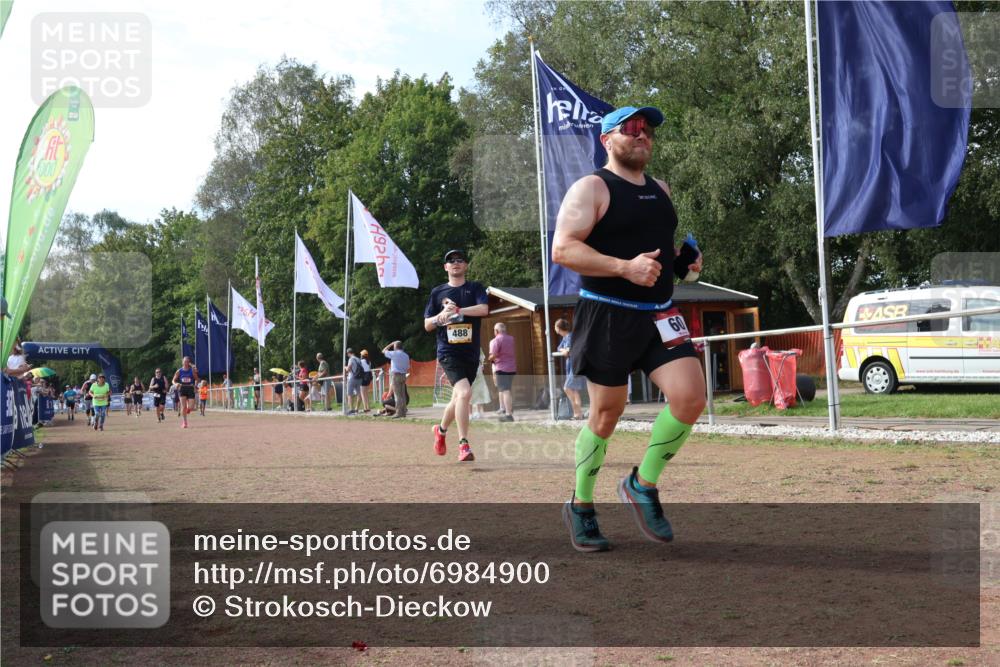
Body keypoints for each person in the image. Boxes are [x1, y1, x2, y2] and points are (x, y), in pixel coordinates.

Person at [551, 105, 706, 552]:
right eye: (633, 129)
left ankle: (642, 484)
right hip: (607, 314)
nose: (644, 136)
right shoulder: (592, 188)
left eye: (649, 130)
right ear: (607, 139)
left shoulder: (661, 188)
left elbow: (656, 254)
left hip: (658, 312)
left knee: (690, 397)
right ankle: (581, 506)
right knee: (605, 415)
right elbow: (563, 249)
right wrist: (622, 267)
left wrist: (684, 264)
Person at [423, 249, 489, 462]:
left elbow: (483, 310)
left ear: (466, 265)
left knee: (459, 397)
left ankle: (440, 431)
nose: (455, 263)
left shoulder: (475, 288)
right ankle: (463, 445)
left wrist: (459, 310)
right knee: (465, 393)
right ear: (446, 267)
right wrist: (441, 317)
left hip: (470, 353)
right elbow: (427, 325)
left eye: (460, 260)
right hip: (448, 352)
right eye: (451, 261)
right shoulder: (438, 293)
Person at [553, 319, 586, 420]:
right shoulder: (565, 337)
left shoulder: (570, 337)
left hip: (574, 367)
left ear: (558, 328)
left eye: (555, 327)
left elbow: (568, 351)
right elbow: (560, 348)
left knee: (567, 388)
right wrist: (563, 349)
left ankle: (578, 412)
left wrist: (565, 350)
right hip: (570, 367)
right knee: (574, 390)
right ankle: (578, 414)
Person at [489, 322, 517, 422]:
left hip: (501, 368)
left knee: (505, 391)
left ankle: (508, 414)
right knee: (507, 390)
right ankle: (508, 409)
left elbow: (494, 355)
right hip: (512, 368)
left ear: (496, 331)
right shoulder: (511, 339)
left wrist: (489, 358)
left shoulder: (495, 340)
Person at [381, 340, 410, 419]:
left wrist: (390, 343)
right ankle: (403, 412)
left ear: (395, 347)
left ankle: (398, 412)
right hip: (403, 375)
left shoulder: (394, 353)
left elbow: (383, 351)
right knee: (402, 395)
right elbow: (408, 367)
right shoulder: (406, 355)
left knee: (397, 395)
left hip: (396, 375)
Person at [172, 356, 199, 428]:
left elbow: (196, 379)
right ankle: (184, 422)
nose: (186, 363)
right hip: (182, 389)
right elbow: (173, 380)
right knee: (183, 407)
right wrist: (176, 384)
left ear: (188, 362)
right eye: (184, 361)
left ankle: (188, 408)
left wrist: (195, 386)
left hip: (190, 388)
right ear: (182, 362)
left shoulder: (192, 370)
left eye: (187, 361)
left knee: (191, 407)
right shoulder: (179, 371)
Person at [470, 349, 491, 419]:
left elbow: (482, 358)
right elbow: (482, 358)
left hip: (475, 370)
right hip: (473, 369)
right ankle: (474, 413)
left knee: (475, 391)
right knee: (472, 391)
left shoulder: (477, 347)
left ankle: (474, 413)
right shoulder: (476, 346)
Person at [344, 349, 362, 415]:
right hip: (359, 378)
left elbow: (348, 369)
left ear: (348, 353)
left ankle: (351, 409)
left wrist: (345, 367)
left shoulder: (351, 359)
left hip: (352, 378)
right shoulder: (358, 359)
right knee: (358, 394)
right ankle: (357, 409)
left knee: (349, 394)